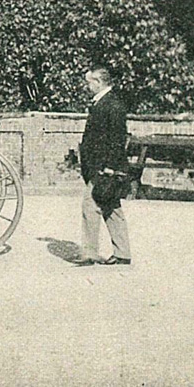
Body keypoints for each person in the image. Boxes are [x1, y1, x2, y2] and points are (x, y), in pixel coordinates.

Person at [73, 67, 132, 266]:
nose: (87, 86)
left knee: (90, 207)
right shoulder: (104, 103)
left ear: (99, 82)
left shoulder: (111, 105)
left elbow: (117, 139)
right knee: (111, 207)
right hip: (101, 167)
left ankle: (89, 253)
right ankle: (123, 253)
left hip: (104, 168)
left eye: (89, 82)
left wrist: (109, 167)